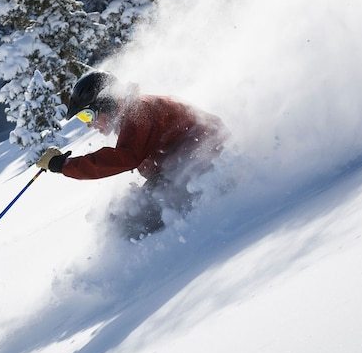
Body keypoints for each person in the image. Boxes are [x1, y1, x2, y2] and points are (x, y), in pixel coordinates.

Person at [36, 71, 226, 238]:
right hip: (189, 163)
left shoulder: (139, 110)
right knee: (123, 216)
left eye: (88, 115)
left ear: (106, 102)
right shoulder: (132, 112)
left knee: (132, 222)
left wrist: (62, 164)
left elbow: (125, 157)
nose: (88, 124)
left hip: (208, 158)